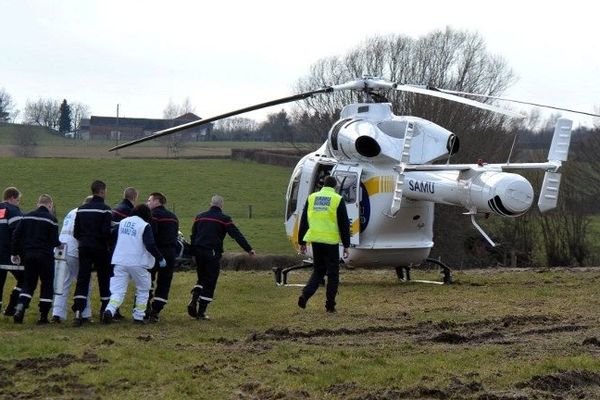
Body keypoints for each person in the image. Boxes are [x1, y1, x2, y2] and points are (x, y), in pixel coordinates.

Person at [188, 195, 255, 320]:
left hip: (198, 251)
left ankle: (195, 295)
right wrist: (248, 249)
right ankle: (201, 312)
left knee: (202, 277)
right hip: (212, 253)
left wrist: (193, 251)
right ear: (221, 205)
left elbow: (193, 235)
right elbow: (236, 235)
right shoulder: (224, 219)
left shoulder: (199, 216)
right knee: (211, 279)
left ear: (210, 203)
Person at [104, 204, 165, 324]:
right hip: (138, 262)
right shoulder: (144, 225)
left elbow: (112, 236)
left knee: (118, 290)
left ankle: (109, 310)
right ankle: (138, 316)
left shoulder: (123, 222)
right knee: (143, 289)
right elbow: (150, 244)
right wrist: (160, 258)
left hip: (120, 261)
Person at [297, 176, 350, 313]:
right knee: (333, 274)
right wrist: (346, 245)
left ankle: (305, 295)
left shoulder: (312, 198)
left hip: (315, 240)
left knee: (318, 271)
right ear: (335, 187)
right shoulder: (337, 199)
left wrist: (302, 242)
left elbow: (304, 221)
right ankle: (330, 305)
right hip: (330, 242)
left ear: (323, 185)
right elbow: (344, 224)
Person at [11, 194, 61, 324]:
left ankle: (20, 309)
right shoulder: (52, 219)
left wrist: (15, 253)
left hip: (29, 255)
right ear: (49, 205)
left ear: (38, 204)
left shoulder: (26, 216)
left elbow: (16, 235)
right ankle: (43, 316)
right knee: (47, 284)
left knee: (28, 283)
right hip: (45, 256)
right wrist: (59, 244)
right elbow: (54, 241)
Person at [71, 180, 113, 326]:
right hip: (100, 248)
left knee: (83, 278)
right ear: (102, 191)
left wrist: (84, 240)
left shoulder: (81, 209)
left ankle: (78, 311)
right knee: (104, 278)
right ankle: (104, 310)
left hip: (84, 247)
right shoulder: (106, 210)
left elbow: (76, 232)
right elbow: (106, 232)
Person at [51, 196, 94, 323]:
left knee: (61, 283)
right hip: (74, 250)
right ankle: (84, 313)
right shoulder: (85, 213)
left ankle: (57, 314)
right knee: (85, 282)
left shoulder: (72, 211)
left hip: (60, 248)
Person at [146, 192, 179, 323]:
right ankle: (156, 311)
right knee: (165, 282)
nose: (147, 203)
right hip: (170, 253)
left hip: (155, 252)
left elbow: (151, 235)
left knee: (148, 279)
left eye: (149, 200)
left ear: (157, 201)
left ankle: (144, 307)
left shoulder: (153, 216)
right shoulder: (174, 217)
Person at [110, 187, 138, 321]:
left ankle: (112, 309)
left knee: (115, 282)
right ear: (135, 197)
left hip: (112, 248)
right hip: (120, 250)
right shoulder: (129, 212)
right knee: (119, 284)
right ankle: (113, 310)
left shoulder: (116, 208)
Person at [0, 187, 23, 316]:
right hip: (10, 254)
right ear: (12, 198)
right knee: (24, 279)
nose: (18, 203)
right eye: (18, 200)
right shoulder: (13, 211)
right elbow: (18, 232)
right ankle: (11, 307)